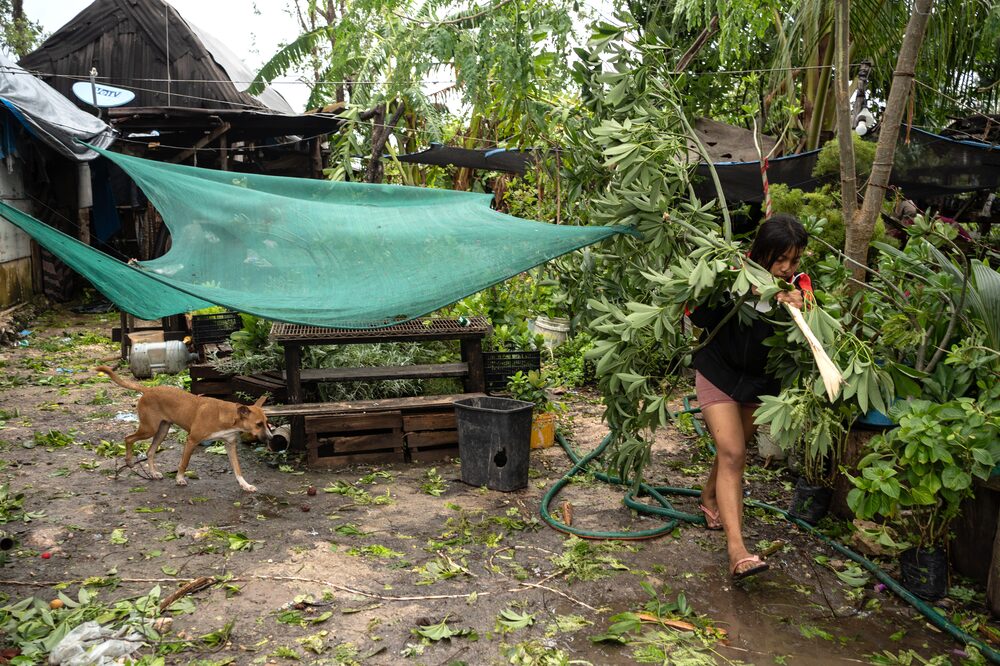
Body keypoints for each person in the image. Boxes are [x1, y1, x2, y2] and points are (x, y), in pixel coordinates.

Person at [687, 213, 809, 582]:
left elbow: (813, 319)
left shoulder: (799, 286)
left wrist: (799, 304)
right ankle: (737, 550)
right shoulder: (730, 272)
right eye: (779, 259)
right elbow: (697, 315)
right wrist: (737, 291)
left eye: (793, 259)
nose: (786, 268)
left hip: (761, 383)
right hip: (718, 372)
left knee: (732, 451)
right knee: (734, 453)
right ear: (760, 252)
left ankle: (709, 498)